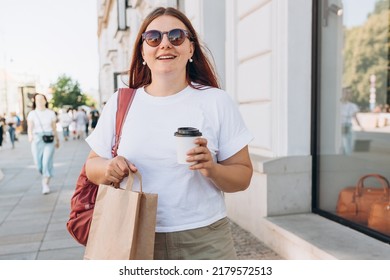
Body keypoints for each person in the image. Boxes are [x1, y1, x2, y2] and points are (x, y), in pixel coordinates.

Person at [85, 7, 253, 260]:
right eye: (153, 38)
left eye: (176, 36)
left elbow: (243, 176)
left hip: (204, 240)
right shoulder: (120, 103)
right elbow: (91, 166)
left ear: (191, 48)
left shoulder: (216, 101)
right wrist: (109, 167)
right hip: (131, 234)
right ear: (143, 50)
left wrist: (212, 168)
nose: (165, 44)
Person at [27, 93, 60, 195]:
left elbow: (54, 128)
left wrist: (57, 139)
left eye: (42, 99)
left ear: (45, 101)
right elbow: (30, 127)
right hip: (37, 139)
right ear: (35, 102)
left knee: (46, 162)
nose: (40, 101)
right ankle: (45, 173)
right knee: (39, 165)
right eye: (37, 100)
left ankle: (45, 184)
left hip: (49, 139)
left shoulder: (50, 113)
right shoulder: (32, 113)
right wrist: (30, 135)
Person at [340, 87, 362, 155]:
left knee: (348, 144)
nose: (347, 95)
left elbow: (355, 117)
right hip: (339, 126)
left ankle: (347, 157)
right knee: (342, 144)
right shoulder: (337, 105)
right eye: (345, 93)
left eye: (348, 93)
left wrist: (360, 126)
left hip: (348, 126)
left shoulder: (352, 106)